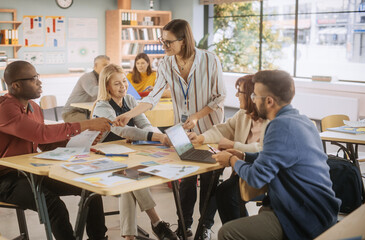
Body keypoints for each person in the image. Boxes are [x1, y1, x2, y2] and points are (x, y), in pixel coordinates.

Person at [114, 19, 226, 239]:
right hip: (182, 130)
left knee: (209, 179)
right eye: (162, 41)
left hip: (211, 129)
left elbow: (220, 97)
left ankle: (205, 226)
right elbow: (153, 97)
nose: (163, 46)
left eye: (168, 42)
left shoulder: (210, 60)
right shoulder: (166, 63)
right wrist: (128, 114)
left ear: (183, 41)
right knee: (184, 178)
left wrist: (196, 116)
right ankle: (184, 226)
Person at [0, 61, 113, 240]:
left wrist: (83, 144)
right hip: (6, 180)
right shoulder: (5, 109)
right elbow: (42, 134)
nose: (39, 82)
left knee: (91, 189)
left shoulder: (33, 107)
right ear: (15, 85)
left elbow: (46, 144)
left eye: (37, 77)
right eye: (33, 79)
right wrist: (86, 124)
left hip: (31, 172)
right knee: (53, 205)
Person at [213, 70, 340, 240]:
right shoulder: (303, 121)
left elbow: (256, 177)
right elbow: (275, 158)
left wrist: (231, 160)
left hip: (303, 215)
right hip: (316, 208)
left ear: (269, 101)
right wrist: (244, 156)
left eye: (255, 96)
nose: (253, 100)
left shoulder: (280, 126)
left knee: (227, 232)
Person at [93, 64, 177, 240]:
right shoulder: (102, 107)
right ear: (106, 86)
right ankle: (157, 222)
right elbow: (124, 131)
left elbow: (144, 124)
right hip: (100, 159)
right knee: (131, 177)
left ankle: (130, 237)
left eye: (124, 81)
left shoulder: (130, 100)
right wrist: (158, 137)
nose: (123, 86)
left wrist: (155, 135)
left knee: (128, 180)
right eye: (117, 83)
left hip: (124, 157)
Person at [187, 74, 269, 225]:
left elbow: (263, 150)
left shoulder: (271, 120)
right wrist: (201, 138)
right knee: (222, 192)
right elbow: (222, 130)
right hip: (242, 170)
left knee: (225, 192)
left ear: (253, 95)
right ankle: (238, 230)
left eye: (240, 92)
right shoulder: (243, 115)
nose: (237, 95)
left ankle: (237, 231)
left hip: (263, 176)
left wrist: (233, 145)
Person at [62, 55, 110, 122]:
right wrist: (111, 86)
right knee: (91, 125)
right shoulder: (87, 77)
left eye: (108, 66)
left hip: (88, 113)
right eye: (104, 65)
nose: (107, 68)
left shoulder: (103, 79)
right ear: (95, 66)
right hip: (72, 112)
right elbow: (93, 92)